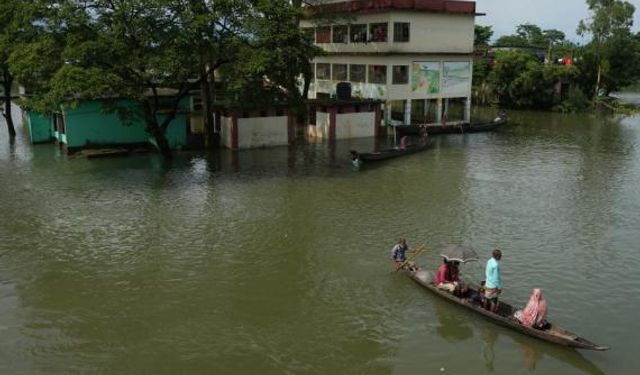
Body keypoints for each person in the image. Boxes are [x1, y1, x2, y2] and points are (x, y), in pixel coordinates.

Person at [484, 249, 502, 313]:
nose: (501, 257)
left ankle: (485, 311)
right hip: (493, 287)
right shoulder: (495, 265)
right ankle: (491, 313)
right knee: (494, 301)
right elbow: (495, 279)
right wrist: (499, 288)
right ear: (497, 256)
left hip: (487, 284)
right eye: (500, 255)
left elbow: (487, 273)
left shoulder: (489, 261)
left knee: (487, 298)